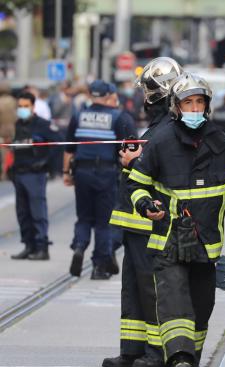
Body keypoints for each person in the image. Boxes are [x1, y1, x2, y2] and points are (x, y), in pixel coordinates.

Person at [126, 72, 225, 367]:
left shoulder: (219, 141)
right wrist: (147, 206)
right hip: (169, 241)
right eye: (189, 102)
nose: (195, 108)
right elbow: (136, 184)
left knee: (201, 309)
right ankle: (180, 358)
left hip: (206, 243)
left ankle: (190, 359)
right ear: (176, 106)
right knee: (174, 301)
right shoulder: (161, 141)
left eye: (200, 102)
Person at [103, 57, 183, 367]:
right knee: (133, 289)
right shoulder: (158, 126)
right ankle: (132, 350)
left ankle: (156, 353)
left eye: (148, 91)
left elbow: (160, 173)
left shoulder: (168, 128)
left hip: (152, 225)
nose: (144, 97)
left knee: (151, 289)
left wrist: (132, 163)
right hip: (135, 225)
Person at [63, 80, 137, 280]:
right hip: (106, 173)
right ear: (108, 96)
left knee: (84, 217)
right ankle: (99, 266)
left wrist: (66, 173)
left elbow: (69, 149)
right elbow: (129, 151)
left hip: (82, 172)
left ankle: (79, 247)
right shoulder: (118, 117)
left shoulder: (78, 116)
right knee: (104, 222)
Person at [9, 91, 58, 260]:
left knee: (38, 212)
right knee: (23, 213)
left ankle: (42, 247)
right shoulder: (18, 124)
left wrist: (46, 163)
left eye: (26, 106)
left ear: (33, 106)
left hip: (35, 174)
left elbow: (57, 143)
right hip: (20, 173)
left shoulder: (42, 124)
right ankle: (29, 245)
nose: (22, 109)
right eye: (20, 106)